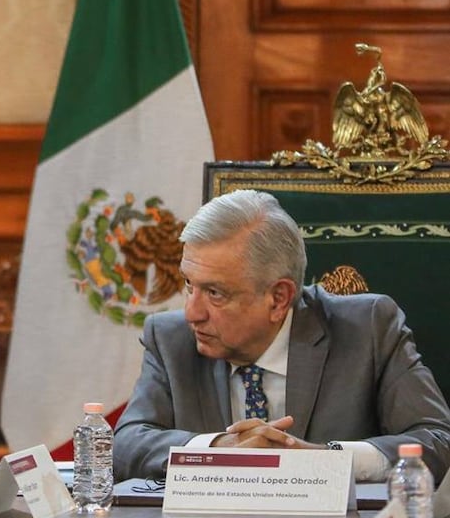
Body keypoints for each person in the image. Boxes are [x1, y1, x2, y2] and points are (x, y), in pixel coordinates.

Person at [113, 189, 450, 483]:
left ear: (278, 299)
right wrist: (217, 449)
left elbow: (437, 440)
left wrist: (324, 459)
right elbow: (124, 444)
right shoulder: (171, 339)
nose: (191, 313)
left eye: (215, 293)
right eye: (189, 284)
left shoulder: (367, 329)